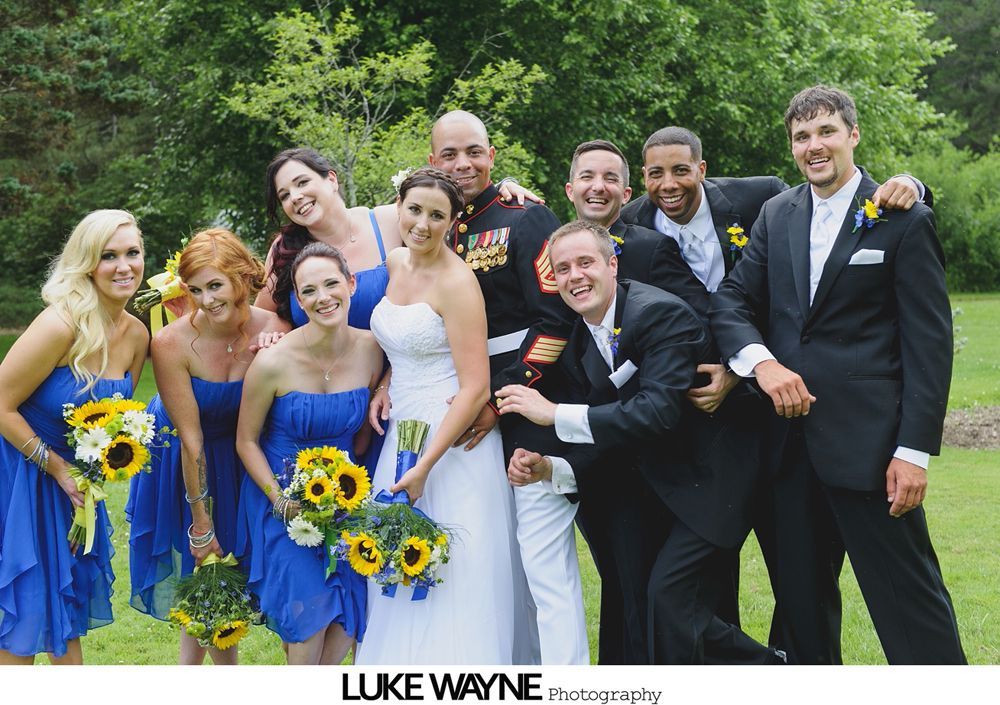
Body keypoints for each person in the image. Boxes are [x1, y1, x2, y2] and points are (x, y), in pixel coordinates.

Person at [621, 126, 929, 642]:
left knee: (839, 581)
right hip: (703, 427)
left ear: (702, 168)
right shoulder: (631, 224)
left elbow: (837, 196)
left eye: (680, 169)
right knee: (739, 579)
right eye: (655, 172)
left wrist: (912, 184)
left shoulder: (760, 196)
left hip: (792, 416)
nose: (668, 183)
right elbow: (575, 243)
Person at [709, 85, 965, 664]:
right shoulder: (777, 214)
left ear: (853, 135)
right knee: (801, 610)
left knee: (910, 603)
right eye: (802, 137)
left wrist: (914, 452)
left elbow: (930, 345)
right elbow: (731, 301)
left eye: (826, 131)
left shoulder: (902, 217)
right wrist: (761, 364)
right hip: (787, 450)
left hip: (871, 451)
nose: (814, 146)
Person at [497, 221, 779, 664]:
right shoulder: (572, 337)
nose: (575, 276)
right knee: (645, 604)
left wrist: (553, 414)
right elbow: (606, 432)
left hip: (712, 481)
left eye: (585, 263)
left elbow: (657, 412)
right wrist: (552, 468)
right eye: (563, 268)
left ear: (612, 265)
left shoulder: (659, 314)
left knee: (667, 598)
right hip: (650, 486)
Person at [562, 139, 763, 663]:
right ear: (569, 188)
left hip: (668, 442)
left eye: (609, 179)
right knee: (625, 586)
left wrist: (730, 372)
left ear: (626, 192)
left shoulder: (648, 245)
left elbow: (700, 316)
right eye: (586, 177)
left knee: (678, 595)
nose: (596, 188)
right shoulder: (556, 247)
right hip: (601, 453)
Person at [428, 110, 578, 664]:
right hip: (450, 398)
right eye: (450, 154)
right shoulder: (429, 220)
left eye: (474, 151)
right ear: (432, 161)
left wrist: (500, 398)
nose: (463, 164)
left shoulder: (525, 217)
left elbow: (555, 319)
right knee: (480, 549)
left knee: (537, 557)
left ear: (492, 156)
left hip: (521, 401)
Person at [355, 168, 516, 665]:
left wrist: (424, 466)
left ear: (454, 221)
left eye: (437, 215)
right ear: (398, 207)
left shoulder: (458, 282)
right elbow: (400, 342)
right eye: (414, 210)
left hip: (449, 438)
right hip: (401, 424)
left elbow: (476, 387)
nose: (422, 224)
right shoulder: (396, 260)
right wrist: (385, 383)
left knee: (454, 567)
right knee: (393, 558)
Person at [126, 228, 288, 664]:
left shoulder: (275, 329)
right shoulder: (171, 343)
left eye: (215, 285)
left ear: (241, 277)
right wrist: (201, 519)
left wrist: (274, 357)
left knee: (223, 574)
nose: (206, 300)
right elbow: (190, 438)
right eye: (194, 289)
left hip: (243, 454)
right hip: (187, 455)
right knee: (204, 563)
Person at [0, 209, 149, 664]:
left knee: (63, 618)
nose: (124, 266)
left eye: (132, 253)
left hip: (74, 488)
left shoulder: (137, 335)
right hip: (19, 477)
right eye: (109, 256)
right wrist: (57, 467)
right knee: (20, 622)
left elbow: (118, 421)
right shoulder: (60, 325)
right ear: (87, 264)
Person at [235, 243, 383, 665]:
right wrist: (280, 501)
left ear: (351, 284)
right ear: (298, 301)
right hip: (281, 501)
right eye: (310, 291)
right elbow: (245, 440)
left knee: (344, 628)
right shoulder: (272, 363)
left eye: (332, 283)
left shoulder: (373, 349)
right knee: (308, 624)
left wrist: (386, 386)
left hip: (344, 500)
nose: (324, 297)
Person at [257, 148, 541, 329]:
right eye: (284, 195)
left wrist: (502, 189)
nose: (295, 197)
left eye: (302, 182)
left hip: (397, 383)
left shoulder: (388, 221)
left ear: (331, 179)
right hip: (322, 388)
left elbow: (440, 199)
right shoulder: (284, 250)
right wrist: (274, 337)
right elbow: (268, 317)